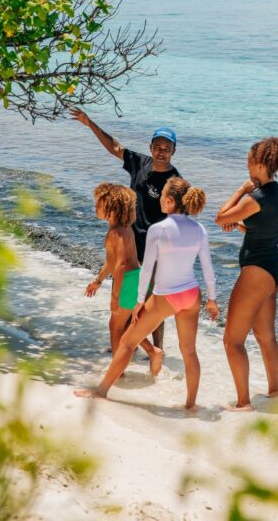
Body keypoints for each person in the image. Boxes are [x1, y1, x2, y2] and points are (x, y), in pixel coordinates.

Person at [75, 177, 219, 409]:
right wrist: (212, 300)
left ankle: (101, 391)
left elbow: (147, 269)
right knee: (189, 352)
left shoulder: (158, 229)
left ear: (170, 201)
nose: (159, 198)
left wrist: (139, 301)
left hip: (165, 297)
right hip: (192, 295)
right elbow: (208, 269)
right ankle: (191, 404)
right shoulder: (200, 229)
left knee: (127, 342)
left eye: (162, 194)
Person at [70, 109, 181, 349]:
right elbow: (115, 147)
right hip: (130, 241)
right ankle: (127, 344)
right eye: (158, 147)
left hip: (157, 249)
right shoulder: (140, 163)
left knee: (152, 303)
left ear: (173, 151)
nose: (161, 152)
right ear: (151, 147)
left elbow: (181, 219)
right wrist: (90, 123)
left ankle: (156, 347)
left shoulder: (176, 181)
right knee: (129, 298)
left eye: (167, 148)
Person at [215, 137, 278, 411]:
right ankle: (274, 393)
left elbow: (219, 217)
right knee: (265, 336)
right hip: (273, 268)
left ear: (260, 163)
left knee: (232, 341)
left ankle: (243, 403)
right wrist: (240, 226)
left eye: (249, 160)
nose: (247, 164)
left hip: (257, 271)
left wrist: (241, 190)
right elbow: (263, 228)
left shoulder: (255, 197)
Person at [84, 182, 162, 376]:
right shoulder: (126, 228)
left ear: (112, 207)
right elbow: (112, 262)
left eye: (99, 204)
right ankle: (152, 351)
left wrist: (115, 296)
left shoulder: (114, 233)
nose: (95, 207)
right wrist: (98, 280)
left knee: (115, 327)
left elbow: (119, 265)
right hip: (134, 278)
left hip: (126, 281)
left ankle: (119, 372)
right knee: (127, 325)